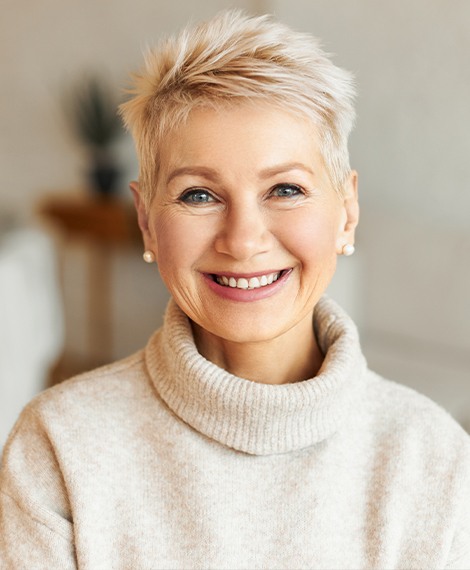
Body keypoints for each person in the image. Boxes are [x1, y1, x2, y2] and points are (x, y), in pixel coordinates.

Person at [1, 10, 469, 570]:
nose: (244, 240)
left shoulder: (436, 460)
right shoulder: (57, 447)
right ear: (147, 222)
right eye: (199, 195)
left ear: (347, 212)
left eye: (286, 189)